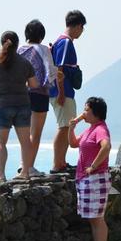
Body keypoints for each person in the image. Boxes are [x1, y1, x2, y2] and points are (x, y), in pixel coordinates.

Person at [0, 31, 38, 182]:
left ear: (2, 43)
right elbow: (34, 84)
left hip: (2, 105)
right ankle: (25, 172)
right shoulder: (25, 63)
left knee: (0, 142)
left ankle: (0, 174)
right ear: (17, 44)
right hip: (22, 105)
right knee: (25, 141)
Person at [68, 97, 112, 241]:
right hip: (85, 179)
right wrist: (71, 128)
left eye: (86, 110)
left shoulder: (100, 129)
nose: (83, 113)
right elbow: (73, 144)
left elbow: (106, 147)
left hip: (96, 178)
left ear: (95, 113)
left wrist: (93, 166)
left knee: (97, 218)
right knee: (93, 218)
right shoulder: (90, 129)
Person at [16, 19, 60, 176]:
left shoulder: (19, 50)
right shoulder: (43, 49)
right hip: (39, 93)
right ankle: (29, 167)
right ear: (41, 35)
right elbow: (50, 73)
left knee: (24, 133)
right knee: (36, 133)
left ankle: (23, 166)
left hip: (21, 94)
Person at [50, 10, 86, 174]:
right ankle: (58, 164)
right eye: (82, 27)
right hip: (63, 91)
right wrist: (62, 93)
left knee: (65, 126)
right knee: (64, 126)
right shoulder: (65, 43)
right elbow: (59, 69)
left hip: (61, 90)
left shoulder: (60, 41)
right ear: (78, 26)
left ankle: (61, 162)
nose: (82, 31)